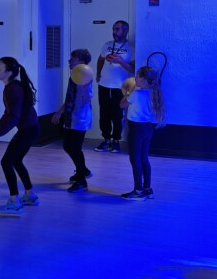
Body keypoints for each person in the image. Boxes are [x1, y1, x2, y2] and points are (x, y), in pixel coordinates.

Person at [0, 57, 40, 215]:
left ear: (8, 72)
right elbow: (8, 114)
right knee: (16, 160)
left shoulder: (12, 89)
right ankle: (30, 195)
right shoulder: (13, 86)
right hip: (32, 129)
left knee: (6, 161)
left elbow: (13, 117)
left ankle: (15, 202)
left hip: (28, 130)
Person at [119, 67, 165, 201]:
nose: (135, 78)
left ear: (144, 79)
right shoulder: (153, 93)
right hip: (147, 128)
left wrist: (127, 92)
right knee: (144, 158)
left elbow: (122, 105)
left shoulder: (137, 94)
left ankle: (138, 191)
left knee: (135, 159)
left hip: (136, 129)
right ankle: (147, 189)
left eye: (137, 76)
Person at [52, 49, 94, 193]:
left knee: (75, 148)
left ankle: (82, 181)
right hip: (71, 116)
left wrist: (84, 88)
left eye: (73, 59)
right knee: (67, 146)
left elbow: (87, 100)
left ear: (81, 62)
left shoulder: (85, 77)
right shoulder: (74, 76)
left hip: (80, 118)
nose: (69, 61)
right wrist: (59, 112)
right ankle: (83, 170)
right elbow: (70, 98)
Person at [95, 20, 135, 153]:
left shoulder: (131, 47)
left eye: (117, 29)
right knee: (104, 114)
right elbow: (101, 59)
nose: (114, 32)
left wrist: (120, 61)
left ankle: (116, 141)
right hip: (104, 85)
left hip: (120, 87)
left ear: (125, 30)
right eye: (113, 29)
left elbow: (132, 68)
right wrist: (98, 74)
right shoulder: (107, 45)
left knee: (117, 115)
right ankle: (106, 140)